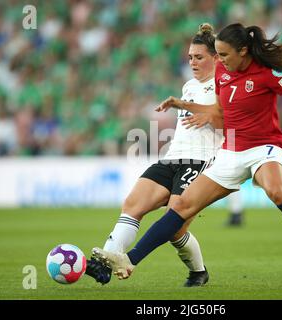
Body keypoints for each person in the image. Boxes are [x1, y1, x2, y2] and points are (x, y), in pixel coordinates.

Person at [92, 23, 282, 289]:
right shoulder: (222, 72)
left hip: (263, 147)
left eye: (223, 54)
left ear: (243, 51)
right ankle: (129, 260)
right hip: (231, 152)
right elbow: (218, 111)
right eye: (217, 55)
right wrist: (180, 103)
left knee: (276, 191)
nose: (219, 60)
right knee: (181, 207)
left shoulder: (269, 72)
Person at [85, 23, 224, 287]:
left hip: (202, 160)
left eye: (199, 57)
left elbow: (228, 126)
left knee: (175, 226)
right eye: (190, 57)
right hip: (172, 157)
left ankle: (198, 272)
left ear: (216, 58)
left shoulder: (223, 86)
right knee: (132, 205)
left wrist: (210, 115)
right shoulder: (189, 86)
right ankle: (103, 264)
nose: (193, 62)